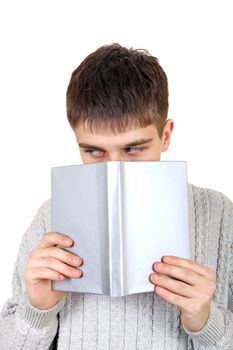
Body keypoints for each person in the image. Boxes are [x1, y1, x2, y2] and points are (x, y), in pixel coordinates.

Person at [0, 43, 232, 350]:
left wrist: (206, 322)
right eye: (93, 151)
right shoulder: (51, 217)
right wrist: (38, 312)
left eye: (133, 149)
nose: (114, 168)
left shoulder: (219, 216)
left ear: (165, 136)